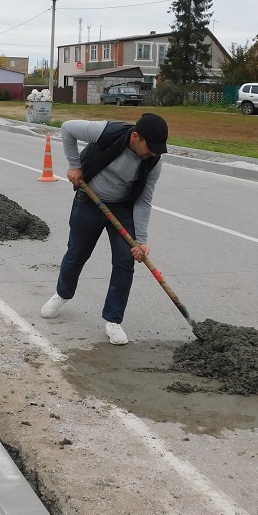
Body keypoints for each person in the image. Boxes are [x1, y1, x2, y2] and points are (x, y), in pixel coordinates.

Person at [40, 112, 168, 345]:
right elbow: (67, 128)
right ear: (136, 137)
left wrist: (142, 239)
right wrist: (74, 165)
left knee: (124, 261)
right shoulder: (106, 131)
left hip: (122, 207)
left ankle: (113, 320)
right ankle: (62, 294)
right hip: (90, 198)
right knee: (77, 252)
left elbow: (144, 201)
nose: (154, 153)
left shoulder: (153, 162)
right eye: (151, 147)